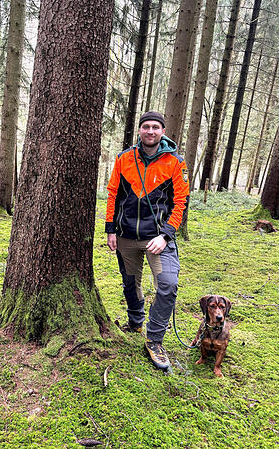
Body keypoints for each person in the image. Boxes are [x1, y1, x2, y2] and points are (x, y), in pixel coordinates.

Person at [105, 111, 189, 370]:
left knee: (167, 284)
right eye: (146, 127)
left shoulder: (175, 162)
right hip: (126, 235)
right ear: (139, 131)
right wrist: (110, 229)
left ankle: (154, 339)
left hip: (158, 239)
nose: (150, 131)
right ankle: (135, 320)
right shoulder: (124, 158)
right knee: (131, 283)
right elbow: (112, 194)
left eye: (155, 127)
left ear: (163, 132)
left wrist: (166, 235)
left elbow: (181, 202)